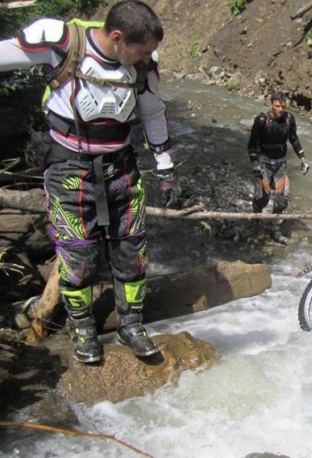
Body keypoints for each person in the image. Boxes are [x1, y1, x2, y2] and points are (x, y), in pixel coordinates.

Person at [0, 0, 179, 364]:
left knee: (132, 252)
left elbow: (153, 112)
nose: (147, 57)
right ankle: (82, 328)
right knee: (77, 254)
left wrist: (165, 168)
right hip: (69, 168)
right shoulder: (63, 43)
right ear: (117, 37)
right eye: (142, 50)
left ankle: (131, 324)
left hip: (121, 168)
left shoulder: (142, 66)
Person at [247, 91, 309, 244]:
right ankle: (255, 224)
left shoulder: (289, 119)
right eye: (277, 106)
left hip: (280, 162)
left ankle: (274, 229)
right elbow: (252, 145)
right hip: (263, 162)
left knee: (281, 201)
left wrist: (303, 159)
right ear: (270, 104)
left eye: (283, 106)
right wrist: (255, 164)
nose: (280, 109)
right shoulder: (262, 120)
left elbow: (294, 139)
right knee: (261, 198)